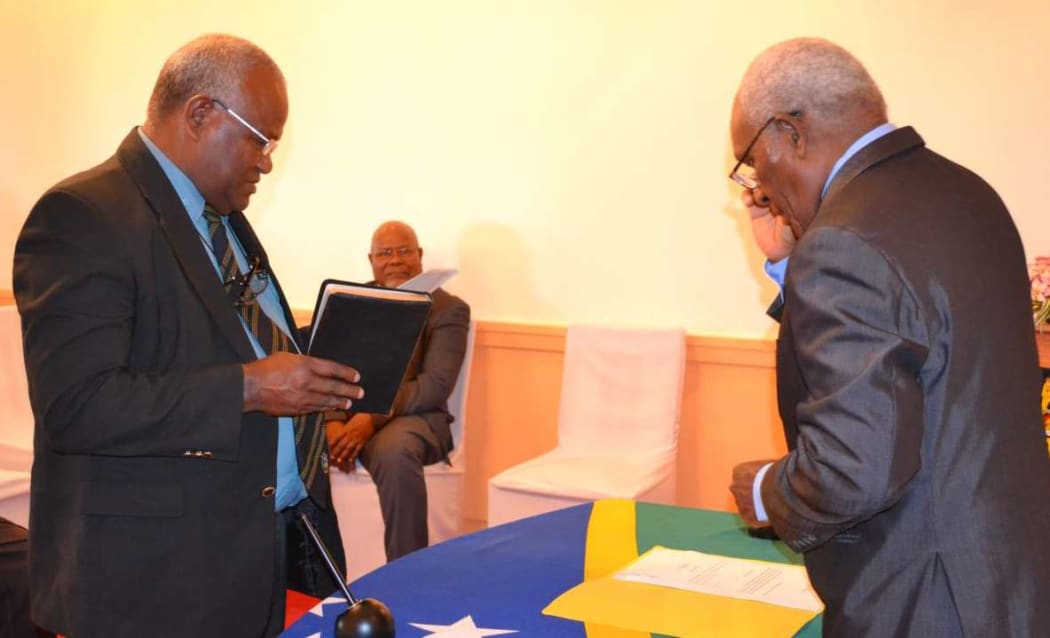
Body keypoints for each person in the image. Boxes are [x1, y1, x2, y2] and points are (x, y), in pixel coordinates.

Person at [13, 34, 363, 637]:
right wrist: (248, 390)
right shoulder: (83, 215)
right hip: (158, 580)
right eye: (262, 138)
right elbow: (76, 404)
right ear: (201, 114)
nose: (268, 161)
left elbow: (221, 341)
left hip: (270, 546)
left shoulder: (222, 218)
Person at [726, 38, 1050, 636]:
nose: (759, 187)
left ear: (789, 133)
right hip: (1006, 582)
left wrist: (769, 493)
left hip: (920, 601)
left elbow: (856, 468)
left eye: (752, 160)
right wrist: (788, 262)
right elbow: (906, 352)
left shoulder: (844, 241)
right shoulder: (968, 194)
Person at [326, 221, 470, 561]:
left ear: (419, 256)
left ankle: (407, 574)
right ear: (371, 260)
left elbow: (434, 386)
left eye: (404, 251)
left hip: (416, 419)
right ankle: (313, 574)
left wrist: (370, 418)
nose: (395, 260)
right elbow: (326, 364)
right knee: (295, 442)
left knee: (396, 452)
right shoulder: (352, 301)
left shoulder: (448, 308)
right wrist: (332, 422)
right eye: (385, 253)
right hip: (349, 415)